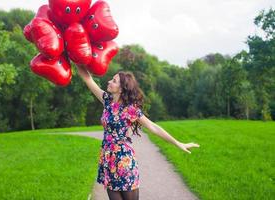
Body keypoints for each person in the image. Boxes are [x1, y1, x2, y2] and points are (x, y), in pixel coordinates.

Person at [75, 64, 200, 200]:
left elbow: (153, 127)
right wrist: (73, 57)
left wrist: (178, 143)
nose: (109, 81)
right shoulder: (107, 101)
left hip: (124, 161)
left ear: (121, 89)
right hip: (108, 160)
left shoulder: (130, 109)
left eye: (114, 81)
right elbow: (88, 79)